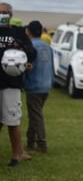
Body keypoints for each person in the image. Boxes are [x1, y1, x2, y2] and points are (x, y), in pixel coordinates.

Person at [0, 2, 36, 167]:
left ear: (11, 15)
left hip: (11, 84)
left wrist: (23, 59)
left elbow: (32, 53)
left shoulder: (19, 33)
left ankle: (17, 154)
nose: (2, 15)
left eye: (4, 12)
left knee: (13, 120)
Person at [24, 20, 55, 153]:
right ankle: (30, 141)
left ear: (28, 31)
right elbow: (52, 67)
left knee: (36, 115)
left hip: (34, 85)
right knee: (34, 114)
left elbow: (26, 67)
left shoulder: (29, 46)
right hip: (46, 85)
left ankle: (42, 143)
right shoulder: (48, 47)